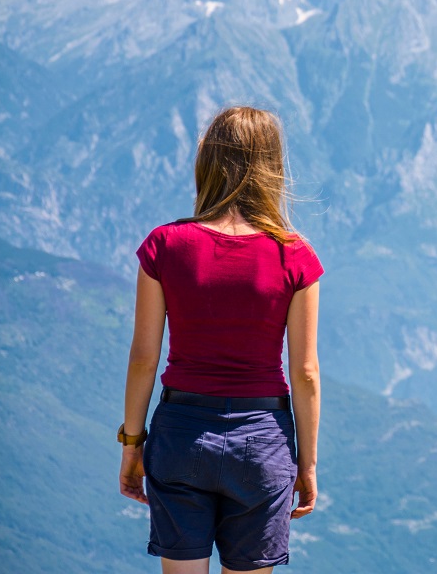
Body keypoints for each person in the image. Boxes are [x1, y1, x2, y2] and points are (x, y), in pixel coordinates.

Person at [118, 105, 323, 573]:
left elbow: (144, 358)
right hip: (262, 441)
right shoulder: (296, 256)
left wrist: (132, 444)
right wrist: (306, 464)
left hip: (180, 436)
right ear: (273, 168)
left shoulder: (164, 246)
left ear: (207, 162)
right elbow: (305, 373)